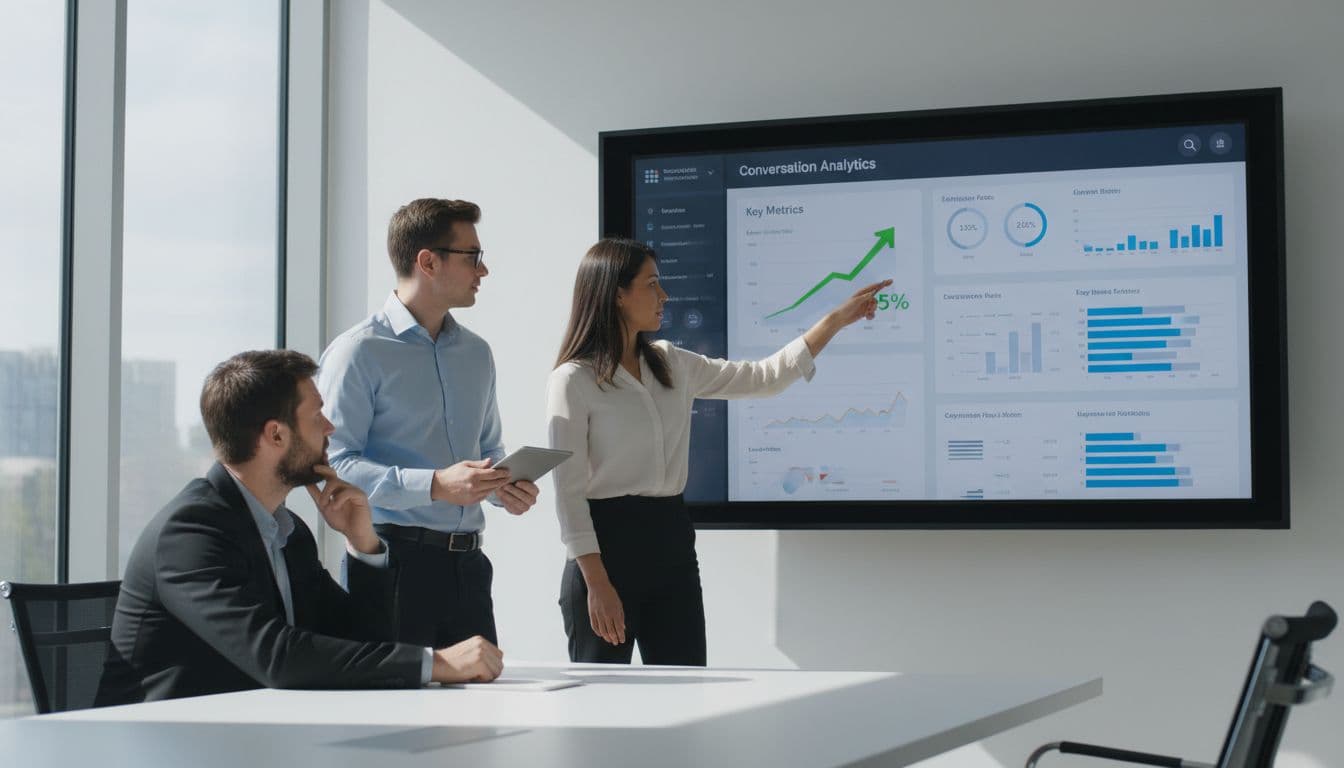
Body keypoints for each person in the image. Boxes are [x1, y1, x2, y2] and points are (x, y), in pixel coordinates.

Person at [546, 237, 889, 664]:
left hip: (671, 543)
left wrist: (835, 321)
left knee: (687, 693)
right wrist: (595, 582)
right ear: (617, 294)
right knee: (600, 706)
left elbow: (765, 377)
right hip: (604, 551)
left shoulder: (672, 362)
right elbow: (568, 492)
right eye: (652, 284)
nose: (664, 295)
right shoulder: (573, 380)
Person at [96, 350, 503, 706]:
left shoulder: (287, 530)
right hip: (165, 745)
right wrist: (438, 663)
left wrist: (362, 544)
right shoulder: (189, 533)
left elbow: (361, 642)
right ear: (276, 434)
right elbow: (275, 656)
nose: (330, 429)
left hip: (250, 736)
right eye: (316, 416)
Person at [317, 198, 539, 649]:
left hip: (470, 569)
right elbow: (333, 464)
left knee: (478, 710)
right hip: (392, 564)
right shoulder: (358, 352)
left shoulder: (476, 353)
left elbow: (487, 448)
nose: (484, 270)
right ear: (428, 261)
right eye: (473, 256)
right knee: (394, 708)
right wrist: (435, 485)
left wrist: (502, 487)